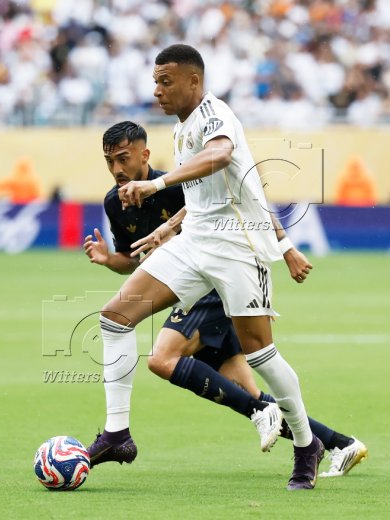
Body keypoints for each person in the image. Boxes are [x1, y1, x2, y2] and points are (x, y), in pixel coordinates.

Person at [88, 43, 354, 490]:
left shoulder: (215, 114)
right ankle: (118, 435)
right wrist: (166, 228)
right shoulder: (182, 128)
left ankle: (306, 443)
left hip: (237, 247)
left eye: (165, 81)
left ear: (194, 80)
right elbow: (203, 197)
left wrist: (156, 185)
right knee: (115, 316)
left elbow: (221, 156)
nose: (157, 91)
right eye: (155, 82)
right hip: (194, 242)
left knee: (261, 354)